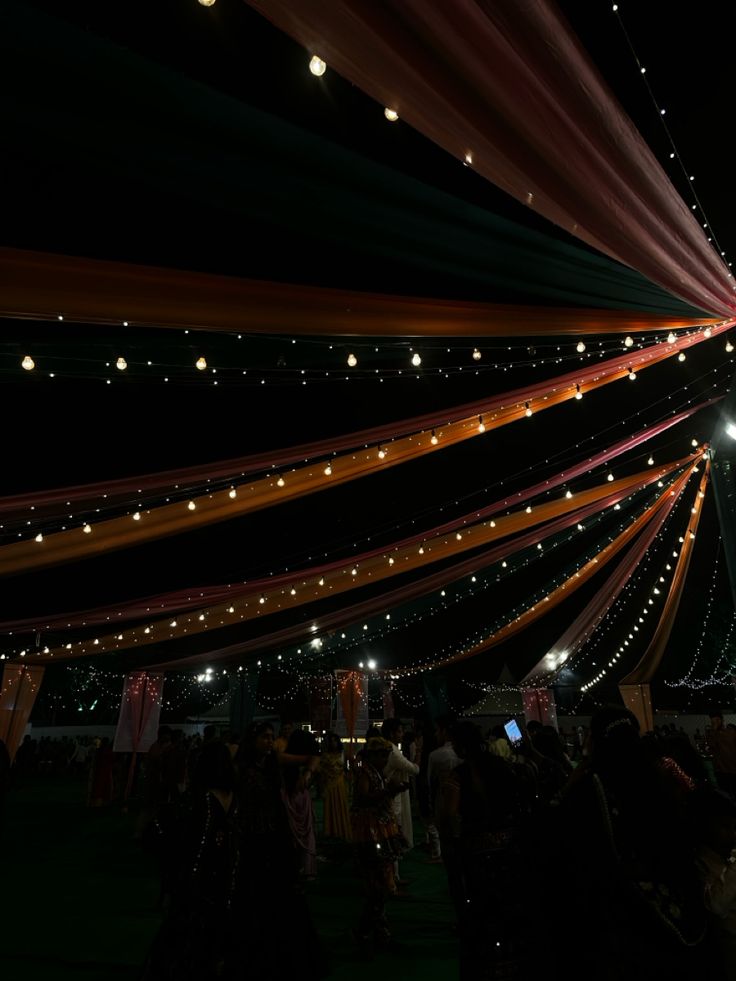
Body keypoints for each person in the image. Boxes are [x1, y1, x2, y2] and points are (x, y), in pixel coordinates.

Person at [557, 705, 709, 980]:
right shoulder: (656, 779)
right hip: (670, 910)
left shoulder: (591, 789)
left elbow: (570, 853)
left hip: (619, 922)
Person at [142, 741, 239, 981]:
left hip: (201, 879)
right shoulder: (232, 795)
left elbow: (199, 841)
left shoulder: (204, 798)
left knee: (188, 937)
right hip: (223, 872)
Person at [351, 737, 408, 950]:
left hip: (378, 832)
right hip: (370, 834)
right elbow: (363, 799)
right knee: (377, 886)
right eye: (381, 755)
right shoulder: (365, 773)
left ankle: (377, 932)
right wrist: (389, 792)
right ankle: (365, 932)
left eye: (386, 755)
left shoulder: (374, 773)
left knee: (380, 885)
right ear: (372, 756)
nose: (385, 759)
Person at [691, 787, 736, 975]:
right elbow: (718, 906)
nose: (733, 834)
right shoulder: (699, 862)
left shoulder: (728, 856)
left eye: (734, 827)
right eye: (725, 827)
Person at [281, 728, 320, 879]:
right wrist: (310, 767)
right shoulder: (309, 760)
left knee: (291, 833)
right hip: (301, 799)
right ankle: (305, 867)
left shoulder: (286, 758)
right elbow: (314, 757)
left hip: (289, 798)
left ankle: (294, 867)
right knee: (306, 832)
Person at [381, 718, 419, 852]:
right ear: (391, 734)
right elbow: (414, 769)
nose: (402, 735)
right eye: (399, 732)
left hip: (385, 792)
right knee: (395, 824)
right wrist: (419, 751)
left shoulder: (386, 747)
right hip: (392, 794)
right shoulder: (393, 751)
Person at [426, 714, 459, 862]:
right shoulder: (461, 753)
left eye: (438, 730)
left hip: (443, 798)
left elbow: (429, 779)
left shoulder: (435, 755)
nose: (435, 734)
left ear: (444, 732)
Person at [319, 731, 351, 841]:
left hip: (340, 784)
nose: (333, 743)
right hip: (329, 785)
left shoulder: (342, 753)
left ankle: (341, 831)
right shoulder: (324, 756)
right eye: (331, 741)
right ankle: (332, 833)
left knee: (340, 806)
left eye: (335, 741)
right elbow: (322, 772)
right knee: (331, 808)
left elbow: (345, 768)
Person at [706, 711, 736, 798]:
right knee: (725, 795)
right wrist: (714, 730)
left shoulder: (732, 732)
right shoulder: (713, 734)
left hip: (733, 769)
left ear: (722, 720)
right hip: (721, 771)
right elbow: (710, 746)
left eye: (717, 720)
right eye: (713, 721)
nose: (715, 723)